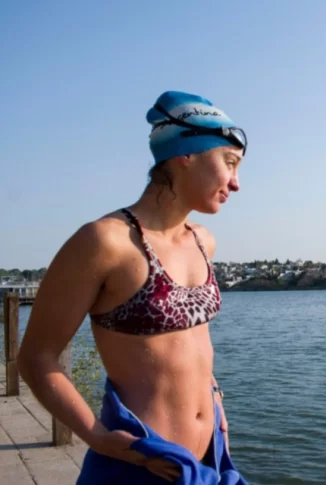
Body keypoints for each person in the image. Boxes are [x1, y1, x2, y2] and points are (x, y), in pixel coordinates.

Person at [17, 91, 251, 484]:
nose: (236, 183)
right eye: (229, 163)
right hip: (138, 462)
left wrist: (213, 395)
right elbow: (36, 357)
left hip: (209, 460)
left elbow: (192, 342)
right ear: (186, 155)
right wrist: (96, 435)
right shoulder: (104, 242)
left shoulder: (202, 241)